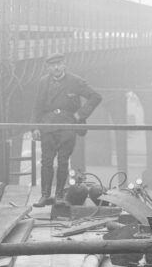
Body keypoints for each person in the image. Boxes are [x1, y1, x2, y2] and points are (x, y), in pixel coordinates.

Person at [32, 52, 102, 207]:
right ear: (47, 67)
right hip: (48, 126)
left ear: (64, 65)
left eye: (58, 64)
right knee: (46, 162)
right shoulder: (43, 82)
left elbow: (96, 96)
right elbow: (37, 106)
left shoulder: (75, 81)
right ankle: (44, 196)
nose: (56, 68)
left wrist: (80, 114)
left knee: (63, 162)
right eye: (52, 65)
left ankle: (58, 196)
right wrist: (35, 127)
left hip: (67, 126)